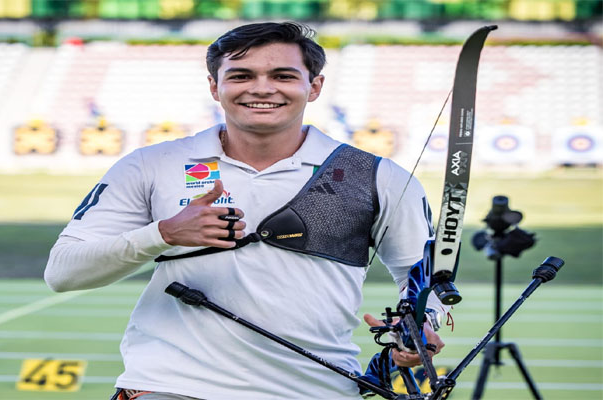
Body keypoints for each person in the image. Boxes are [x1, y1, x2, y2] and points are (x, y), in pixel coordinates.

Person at [45, 22, 448, 400]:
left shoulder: (379, 176)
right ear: (214, 86)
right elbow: (63, 272)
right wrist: (163, 234)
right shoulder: (151, 164)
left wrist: (420, 326)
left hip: (316, 389)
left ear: (314, 86)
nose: (262, 88)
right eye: (241, 75)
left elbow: (424, 276)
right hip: (169, 385)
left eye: (283, 76)